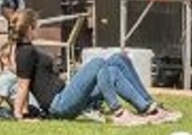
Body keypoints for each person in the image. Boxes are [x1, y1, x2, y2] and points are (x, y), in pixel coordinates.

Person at [10, 11, 180, 124]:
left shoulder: (26, 50)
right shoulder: (25, 52)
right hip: (59, 105)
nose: (38, 28)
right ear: (30, 28)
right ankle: (119, 113)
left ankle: (151, 108)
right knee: (98, 63)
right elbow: (22, 86)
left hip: (65, 94)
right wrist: (21, 116)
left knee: (117, 60)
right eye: (36, 25)